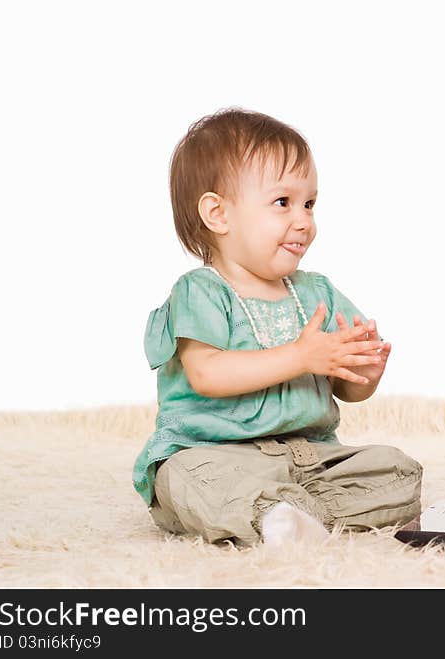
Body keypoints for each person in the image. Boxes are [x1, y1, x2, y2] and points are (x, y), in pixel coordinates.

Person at [132, 107, 423, 548]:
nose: (304, 220)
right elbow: (207, 374)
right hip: (215, 455)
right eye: (283, 202)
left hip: (309, 458)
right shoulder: (201, 292)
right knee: (184, 479)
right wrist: (301, 356)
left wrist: (361, 375)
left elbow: (345, 387)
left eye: (309, 203)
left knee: (399, 471)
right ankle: (271, 512)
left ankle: (291, 516)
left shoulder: (316, 293)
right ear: (218, 214)